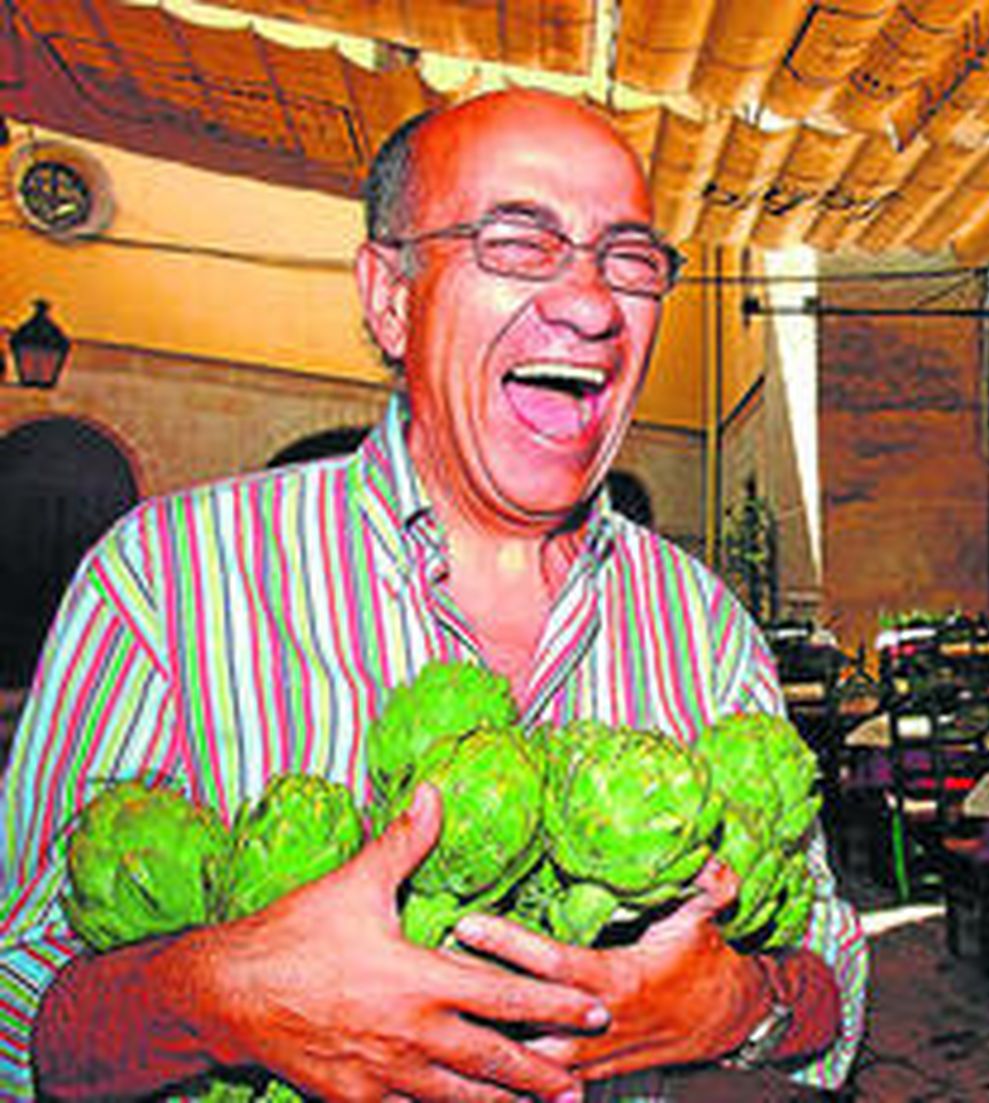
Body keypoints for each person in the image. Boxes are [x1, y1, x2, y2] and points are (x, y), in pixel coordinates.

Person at [0, 89, 866, 1101]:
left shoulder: (704, 625)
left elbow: (834, 975)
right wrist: (213, 997)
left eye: (630, 259)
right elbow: (16, 1001)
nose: (591, 303)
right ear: (391, 297)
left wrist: (740, 1002)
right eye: (517, 242)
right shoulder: (166, 581)